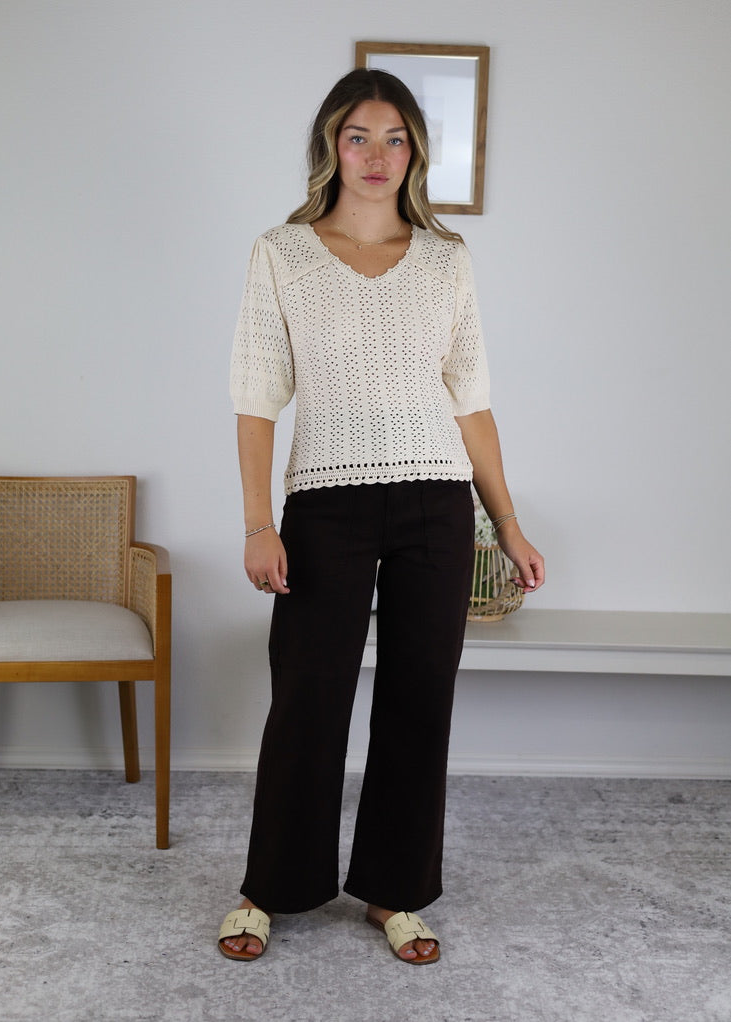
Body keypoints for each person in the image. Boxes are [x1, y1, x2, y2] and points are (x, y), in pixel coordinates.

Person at [220, 68, 544, 965]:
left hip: (437, 504)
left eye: (394, 137)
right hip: (324, 505)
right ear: (331, 144)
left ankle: (394, 891)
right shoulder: (282, 253)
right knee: (307, 698)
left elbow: (470, 401)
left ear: (414, 152)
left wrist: (506, 522)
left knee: (419, 701)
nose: (375, 154)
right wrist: (257, 523)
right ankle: (269, 888)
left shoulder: (445, 259)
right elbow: (255, 399)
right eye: (358, 135)